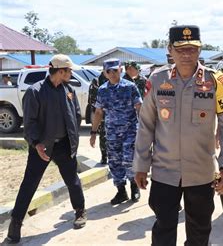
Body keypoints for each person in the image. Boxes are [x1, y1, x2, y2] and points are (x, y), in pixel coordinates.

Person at [133, 25, 223, 245]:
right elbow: (146, 125)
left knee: (199, 231)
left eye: (192, 48)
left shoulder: (214, 81)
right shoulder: (158, 79)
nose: (187, 54)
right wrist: (141, 165)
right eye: (181, 49)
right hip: (164, 172)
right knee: (163, 228)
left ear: (200, 50)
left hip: (201, 172)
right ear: (170, 50)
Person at [6, 54, 87, 243]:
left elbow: (75, 115)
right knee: (29, 184)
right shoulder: (35, 91)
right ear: (60, 71)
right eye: (69, 70)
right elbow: (30, 122)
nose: (71, 73)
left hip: (64, 145)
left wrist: (73, 138)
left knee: (72, 180)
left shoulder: (69, 90)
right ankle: (15, 224)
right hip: (42, 147)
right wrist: (36, 143)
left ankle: (80, 211)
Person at [90, 58, 142, 205]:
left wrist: (146, 129)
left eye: (115, 70)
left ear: (121, 69)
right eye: (109, 71)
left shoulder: (130, 87)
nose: (112, 73)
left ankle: (134, 187)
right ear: (105, 73)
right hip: (112, 132)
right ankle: (121, 191)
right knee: (114, 161)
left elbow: (139, 107)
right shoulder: (102, 90)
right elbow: (98, 112)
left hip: (130, 130)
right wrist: (93, 133)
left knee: (129, 159)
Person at [88, 68, 109, 164]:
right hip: (102, 113)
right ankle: (104, 157)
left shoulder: (116, 80)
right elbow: (93, 100)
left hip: (114, 114)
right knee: (103, 135)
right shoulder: (97, 81)